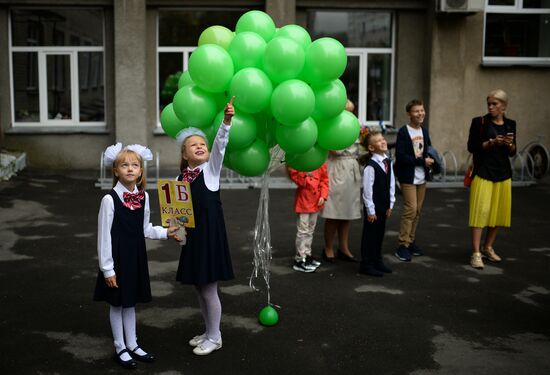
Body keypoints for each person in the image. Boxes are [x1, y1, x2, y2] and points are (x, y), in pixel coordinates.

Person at [93, 143, 180, 369]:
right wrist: (107, 269)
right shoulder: (109, 199)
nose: (130, 169)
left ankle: (132, 343)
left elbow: (146, 228)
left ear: (141, 171)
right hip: (117, 258)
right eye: (124, 165)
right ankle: (120, 346)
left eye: (134, 165)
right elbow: (104, 237)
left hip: (135, 257)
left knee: (130, 302)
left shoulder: (144, 197)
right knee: (117, 303)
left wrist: (166, 232)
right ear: (115, 170)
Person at [174, 97, 235, 356]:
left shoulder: (210, 171)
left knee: (209, 287)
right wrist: (176, 230)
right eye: (193, 145)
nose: (199, 146)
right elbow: (176, 213)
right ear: (184, 154)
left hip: (210, 237)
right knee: (200, 286)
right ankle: (208, 329)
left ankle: (215, 336)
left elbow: (220, 145)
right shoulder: (179, 179)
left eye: (202, 144)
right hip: (194, 238)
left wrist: (227, 122)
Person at [467, 89, 516, 269]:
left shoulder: (510, 124)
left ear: (504, 106)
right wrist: (491, 142)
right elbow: (471, 146)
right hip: (483, 172)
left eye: (494, 104)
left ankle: (487, 247)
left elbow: (512, 152)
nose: (490, 107)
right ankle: (476, 253)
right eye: (489, 103)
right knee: (481, 212)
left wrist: (509, 145)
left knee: (497, 214)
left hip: (503, 174)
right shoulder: (479, 122)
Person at [321, 100, 362, 263]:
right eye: (346, 111)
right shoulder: (331, 126)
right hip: (337, 168)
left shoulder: (355, 125)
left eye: (352, 112)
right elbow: (334, 149)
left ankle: (344, 247)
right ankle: (328, 247)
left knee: (348, 212)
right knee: (334, 213)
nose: (350, 115)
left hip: (351, 168)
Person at [394, 99, 434, 262]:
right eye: (416, 111)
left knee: (417, 211)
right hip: (408, 177)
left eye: (422, 110)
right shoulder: (404, 132)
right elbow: (401, 157)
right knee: (411, 209)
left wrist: (431, 159)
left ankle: (410, 241)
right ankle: (402, 245)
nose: (420, 113)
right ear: (409, 114)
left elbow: (429, 150)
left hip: (421, 177)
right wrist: (421, 161)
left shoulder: (424, 131)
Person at [359, 131, 396, 276]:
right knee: (370, 235)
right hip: (374, 208)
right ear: (371, 148)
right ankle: (366, 264)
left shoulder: (388, 161)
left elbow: (391, 183)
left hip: (384, 205)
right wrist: (371, 210)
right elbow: (367, 191)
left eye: (383, 139)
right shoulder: (371, 166)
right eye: (378, 141)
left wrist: (391, 204)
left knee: (379, 234)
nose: (383, 141)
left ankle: (377, 260)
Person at [287, 164, 329, 272]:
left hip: (316, 201)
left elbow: (324, 179)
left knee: (310, 230)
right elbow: (295, 176)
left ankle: (307, 254)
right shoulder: (300, 161)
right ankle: (300, 259)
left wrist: (323, 196)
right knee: (303, 231)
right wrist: (305, 173)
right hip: (304, 201)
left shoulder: (319, 162)